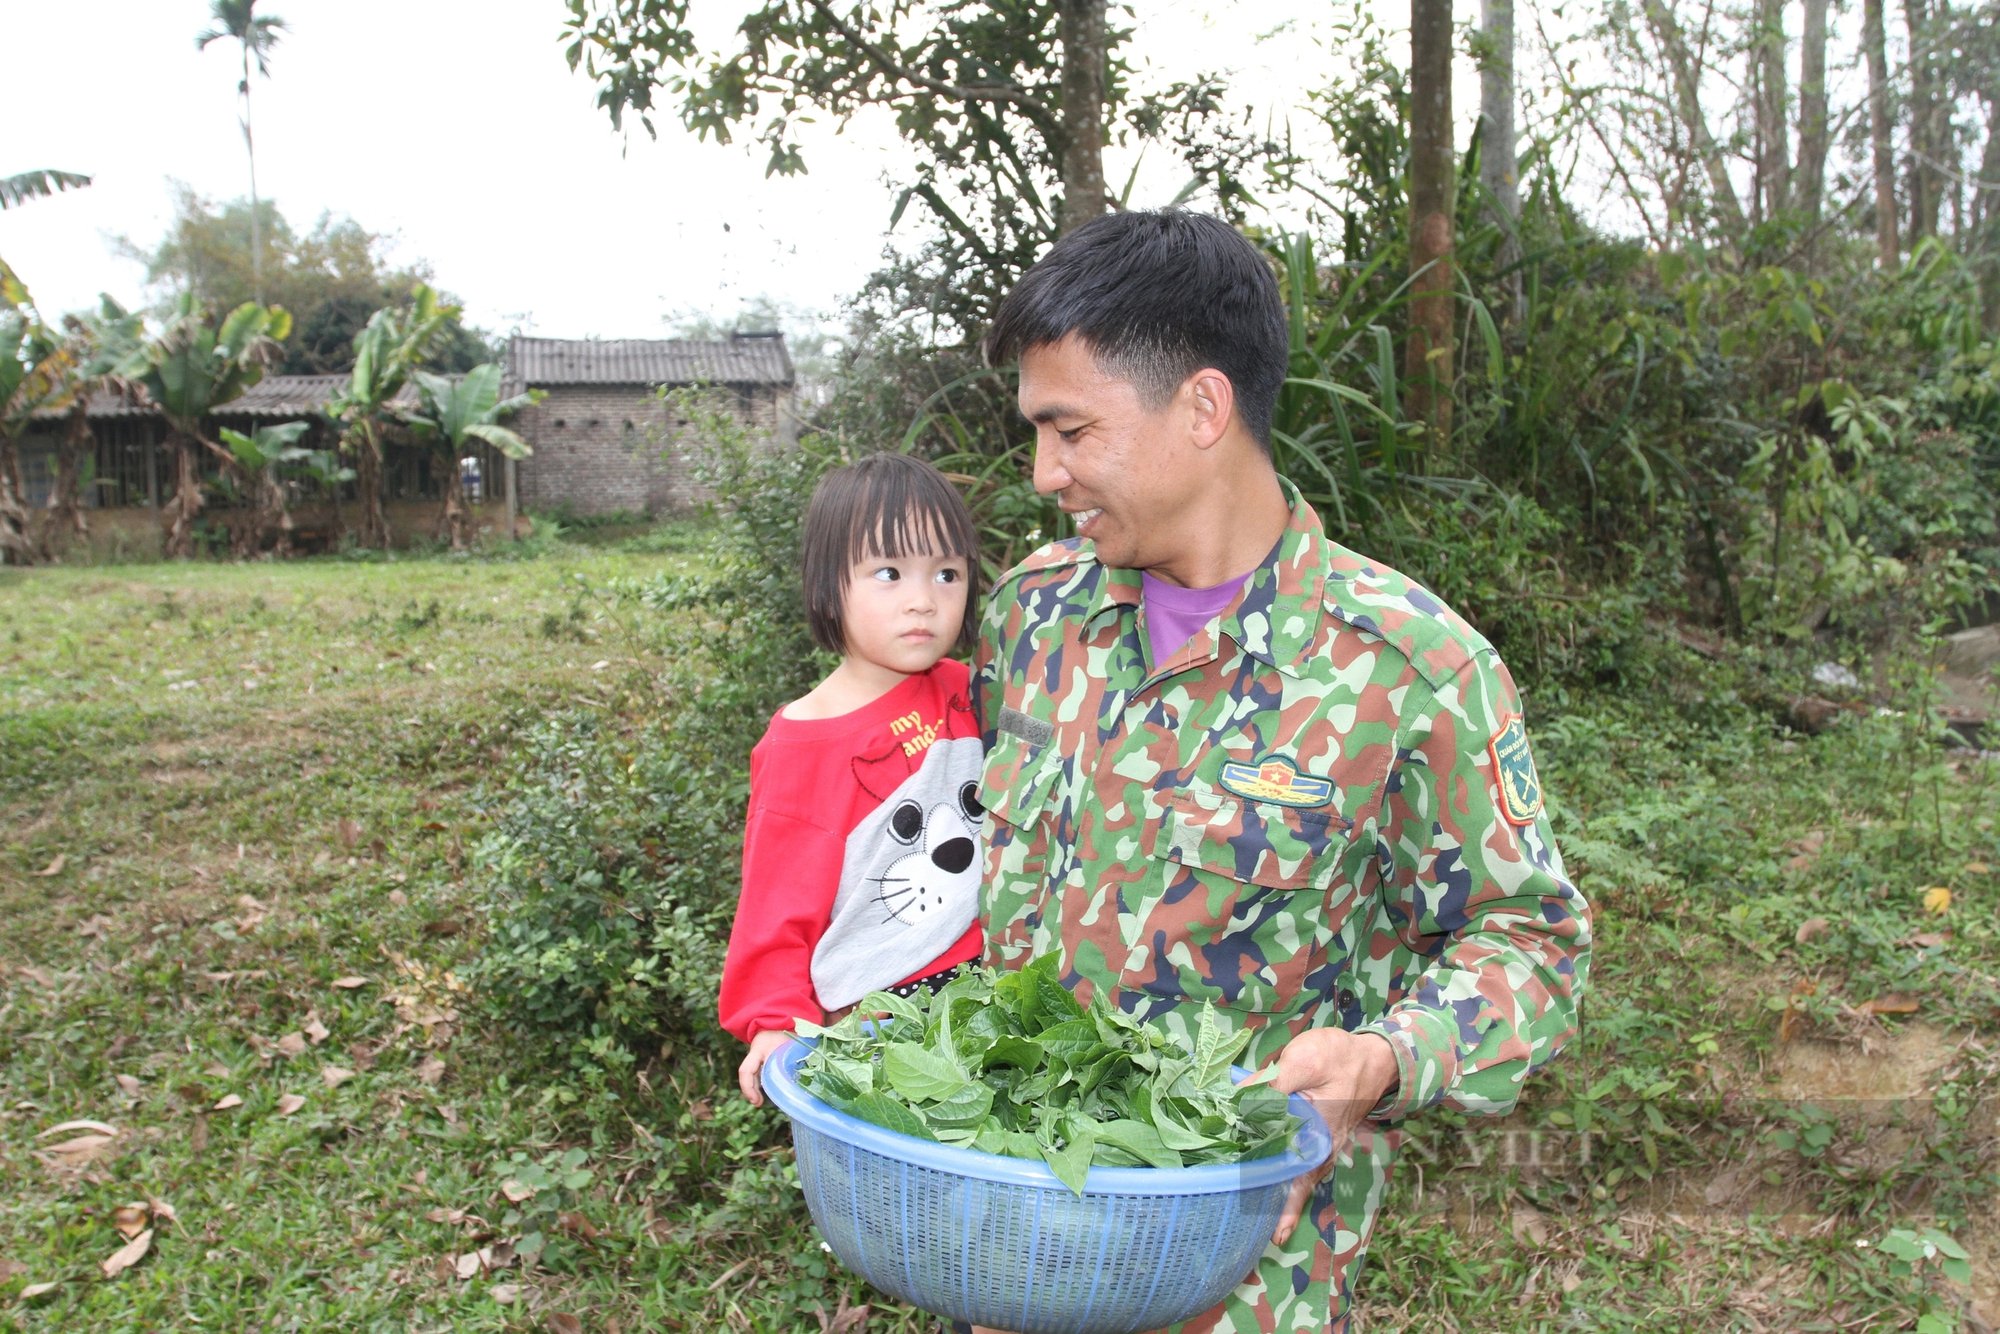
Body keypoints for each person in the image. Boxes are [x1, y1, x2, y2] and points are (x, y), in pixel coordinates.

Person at [969, 210, 1592, 1332]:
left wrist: (1379, 1056)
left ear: (1201, 407)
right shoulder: (1033, 613)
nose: (1040, 472)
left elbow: (1528, 940)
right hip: (1012, 1249)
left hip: (1242, 1280)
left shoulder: (1408, 669)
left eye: (1068, 429)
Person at [721, 452, 988, 1105]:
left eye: (947, 574)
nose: (923, 600)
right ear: (827, 583)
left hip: (991, 992)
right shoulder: (802, 745)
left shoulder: (968, 690)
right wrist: (773, 1023)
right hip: (881, 1019)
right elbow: (775, 906)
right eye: (889, 573)